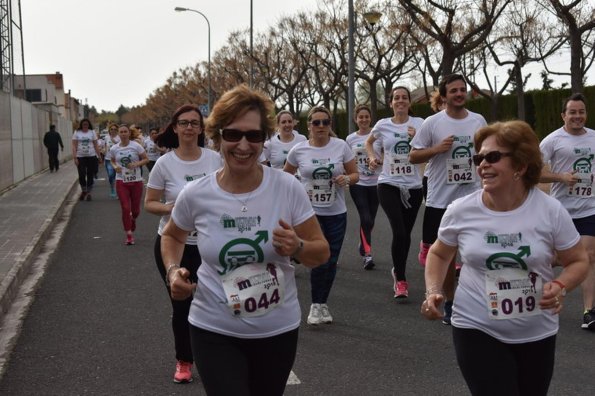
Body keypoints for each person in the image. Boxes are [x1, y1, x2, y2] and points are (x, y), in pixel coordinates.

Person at [160, 84, 329, 395]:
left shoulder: (287, 188)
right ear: (216, 137)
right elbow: (172, 234)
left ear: (264, 140)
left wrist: (298, 247)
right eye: (233, 134)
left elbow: (320, 252)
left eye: (253, 136)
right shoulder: (197, 194)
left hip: (277, 330)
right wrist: (173, 270)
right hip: (213, 328)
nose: (243, 145)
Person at [421, 120, 589, 396]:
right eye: (479, 158)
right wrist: (433, 291)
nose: (482, 164)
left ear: (521, 166)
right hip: (476, 325)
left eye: (493, 157)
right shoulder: (460, 210)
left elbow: (578, 260)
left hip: (537, 330)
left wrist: (560, 287)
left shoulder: (550, 211)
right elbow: (439, 253)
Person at [145, 105, 222, 384]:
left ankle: (216, 357)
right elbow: (150, 203)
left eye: (194, 123)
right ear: (174, 128)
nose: (189, 128)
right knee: (182, 304)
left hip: (211, 244)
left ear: (201, 129)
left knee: (216, 302)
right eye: (183, 123)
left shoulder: (215, 159)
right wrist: (171, 209)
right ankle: (184, 360)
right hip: (174, 243)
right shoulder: (165, 164)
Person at [409, 74, 487, 324]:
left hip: (473, 197)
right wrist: (436, 150)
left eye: (462, 90)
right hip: (441, 199)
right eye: (453, 90)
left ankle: (478, 302)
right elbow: (413, 156)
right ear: (444, 96)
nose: (459, 94)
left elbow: (488, 152)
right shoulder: (433, 123)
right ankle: (451, 304)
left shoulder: (478, 120)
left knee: (478, 252)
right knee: (448, 256)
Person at [284, 106, 359, 325]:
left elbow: (355, 173)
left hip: (336, 212)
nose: (320, 127)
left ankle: (322, 303)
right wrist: (297, 191)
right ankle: (316, 305)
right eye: (315, 123)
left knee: (331, 260)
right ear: (308, 126)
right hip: (309, 214)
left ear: (330, 125)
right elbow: (285, 178)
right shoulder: (299, 150)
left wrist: (347, 179)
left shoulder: (341, 146)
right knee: (319, 260)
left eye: (325, 122)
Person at [539, 93, 595, 331]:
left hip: (590, 208)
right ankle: (533, 293)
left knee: (589, 256)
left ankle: (589, 311)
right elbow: (534, 172)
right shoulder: (552, 141)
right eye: (572, 112)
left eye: (581, 112)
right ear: (564, 115)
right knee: (554, 258)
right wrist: (560, 177)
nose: (577, 116)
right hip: (561, 211)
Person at [366, 87, 425, 297]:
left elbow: (428, 149)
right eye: (396, 98)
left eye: (404, 98)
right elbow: (369, 143)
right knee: (399, 231)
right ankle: (400, 279)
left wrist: (417, 137)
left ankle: (397, 269)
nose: (400, 101)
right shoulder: (383, 125)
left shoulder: (420, 124)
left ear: (410, 102)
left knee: (406, 235)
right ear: (391, 102)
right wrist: (372, 157)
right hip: (388, 183)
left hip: (414, 185)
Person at [346, 104, 380, 270]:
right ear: (356, 119)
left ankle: (363, 240)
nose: (364, 119)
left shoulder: (377, 135)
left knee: (371, 219)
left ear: (370, 118)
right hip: (358, 183)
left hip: (377, 183)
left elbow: (387, 155)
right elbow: (347, 161)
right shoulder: (350, 139)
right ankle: (368, 254)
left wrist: (379, 161)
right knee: (365, 218)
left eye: (367, 116)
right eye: (361, 117)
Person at [107, 124, 148, 245]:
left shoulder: (136, 146)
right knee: (125, 208)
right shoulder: (114, 148)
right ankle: (129, 234)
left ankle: (133, 219)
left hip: (136, 180)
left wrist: (136, 164)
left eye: (125, 132)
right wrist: (115, 167)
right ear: (119, 134)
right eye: (121, 132)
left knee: (135, 210)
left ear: (129, 133)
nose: (123, 134)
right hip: (121, 181)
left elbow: (146, 159)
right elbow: (112, 160)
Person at [72, 118, 102, 201]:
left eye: (87, 124)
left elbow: (96, 145)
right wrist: (75, 158)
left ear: (89, 125)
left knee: (90, 174)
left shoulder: (92, 132)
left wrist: (99, 156)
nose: (85, 125)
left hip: (91, 156)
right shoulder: (77, 132)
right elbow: (74, 146)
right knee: (81, 174)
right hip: (80, 156)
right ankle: (83, 190)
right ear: (81, 125)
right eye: (84, 124)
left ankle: (88, 192)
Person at [102, 124, 120, 198]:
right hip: (108, 159)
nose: (113, 130)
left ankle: (118, 192)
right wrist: (103, 150)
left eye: (115, 129)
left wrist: (114, 141)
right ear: (109, 130)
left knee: (118, 177)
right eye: (111, 129)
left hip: (117, 160)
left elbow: (120, 146)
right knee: (110, 175)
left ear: (117, 130)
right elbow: (105, 146)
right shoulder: (106, 137)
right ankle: (112, 188)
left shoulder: (119, 138)